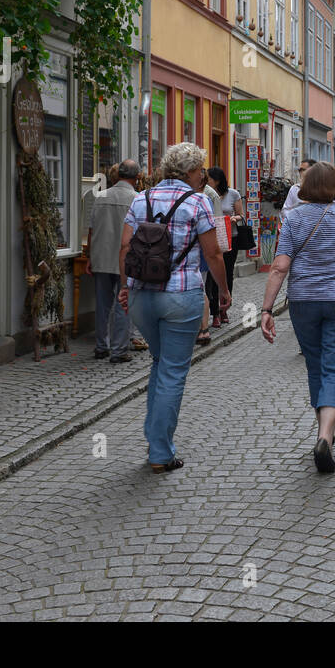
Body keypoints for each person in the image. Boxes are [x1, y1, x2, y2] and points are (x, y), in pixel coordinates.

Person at [118, 142, 230, 473]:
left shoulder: (142, 199)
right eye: (201, 171)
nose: (204, 177)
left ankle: (154, 440)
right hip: (181, 296)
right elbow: (213, 254)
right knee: (172, 370)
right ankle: (160, 452)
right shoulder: (197, 202)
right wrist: (223, 291)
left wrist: (126, 287)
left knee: (159, 363)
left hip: (142, 297)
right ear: (190, 171)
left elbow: (125, 245)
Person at [260, 163, 335, 474]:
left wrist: (266, 309)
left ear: (306, 186)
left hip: (304, 300)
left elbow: (279, 267)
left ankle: (323, 432)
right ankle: (326, 435)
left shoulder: (295, 217)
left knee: (315, 363)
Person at [86, 159, 140, 363]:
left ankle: (101, 346)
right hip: (125, 260)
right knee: (124, 304)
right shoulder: (137, 199)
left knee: (102, 304)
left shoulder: (101, 197)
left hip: (101, 257)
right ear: (137, 177)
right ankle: (118, 350)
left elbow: (92, 229)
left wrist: (91, 256)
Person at [199, 167, 241, 340]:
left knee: (226, 274)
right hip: (211, 239)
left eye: (210, 178)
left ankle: (224, 310)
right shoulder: (206, 194)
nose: (207, 180)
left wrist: (232, 218)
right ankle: (215, 313)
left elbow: (241, 215)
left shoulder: (232, 194)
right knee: (210, 279)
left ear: (217, 180)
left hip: (229, 239)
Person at [280, 158, 314, 226]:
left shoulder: (322, 189)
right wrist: (295, 219)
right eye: (299, 170)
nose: (300, 173)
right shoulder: (295, 189)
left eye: (303, 170)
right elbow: (285, 210)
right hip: (297, 227)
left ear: (313, 171)